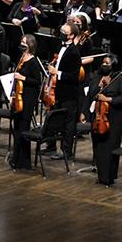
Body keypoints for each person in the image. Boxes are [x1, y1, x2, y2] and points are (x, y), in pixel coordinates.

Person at [86, 53, 122, 185]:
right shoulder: (97, 76)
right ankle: (101, 175)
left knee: (110, 146)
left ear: (114, 65)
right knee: (98, 145)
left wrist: (108, 99)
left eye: (107, 63)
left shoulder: (121, 78)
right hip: (98, 116)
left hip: (114, 116)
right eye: (103, 63)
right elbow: (90, 94)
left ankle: (109, 176)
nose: (104, 65)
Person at [44, 22, 81, 160]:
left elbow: (74, 76)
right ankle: (50, 145)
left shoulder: (74, 53)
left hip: (68, 93)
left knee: (68, 123)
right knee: (53, 118)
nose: (61, 33)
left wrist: (57, 72)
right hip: (56, 91)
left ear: (71, 36)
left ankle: (67, 151)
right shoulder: (60, 46)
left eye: (64, 31)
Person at [9, 34, 43, 170]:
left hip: (28, 99)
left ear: (30, 45)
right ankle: (16, 159)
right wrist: (12, 95)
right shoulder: (20, 58)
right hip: (18, 97)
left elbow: (37, 82)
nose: (22, 44)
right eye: (21, 41)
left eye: (24, 42)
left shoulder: (34, 62)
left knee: (23, 129)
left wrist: (23, 78)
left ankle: (24, 161)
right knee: (16, 129)